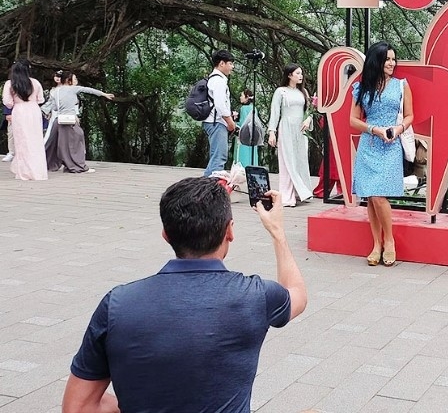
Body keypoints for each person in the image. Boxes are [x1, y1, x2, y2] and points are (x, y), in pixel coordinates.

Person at [61, 177, 307, 413]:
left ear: (166, 235)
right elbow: (297, 294)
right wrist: (277, 231)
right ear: (229, 231)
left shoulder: (116, 304)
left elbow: (79, 407)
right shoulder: (257, 296)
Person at [350, 41, 412, 267]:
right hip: (369, 143)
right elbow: (353, 119)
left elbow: (409, 116)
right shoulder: (362, 87)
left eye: (394, 59)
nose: (392, 63)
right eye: (387, 59)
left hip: (391, 144)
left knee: (378, 196)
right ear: (377, 61)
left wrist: (397, 129)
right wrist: (373, 129)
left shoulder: (401, 85)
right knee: (371, 195)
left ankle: (389, 241)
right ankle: (377, 244)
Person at [43, 72, 114, 173]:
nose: (76, 81)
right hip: (69, 121)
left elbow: (54, 107)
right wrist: (104, 94)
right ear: (68, 80)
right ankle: (78, 166)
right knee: (76, 142)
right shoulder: (73, 89)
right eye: (74, 79)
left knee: (54, 144)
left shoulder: (56, 91)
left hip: (58, 120)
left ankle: (48, 164)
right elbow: (89, 90)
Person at [268, 64, 314, 207]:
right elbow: (275, 112)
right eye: (298, 73)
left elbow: (310, 110)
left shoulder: (303, 92)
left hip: (301, 130)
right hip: (286, 127)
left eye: (301, 73)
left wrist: (308, 119)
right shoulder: (281, 91)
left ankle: (301, 192)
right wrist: (272, 132)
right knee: (287, 160)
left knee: (300, 160)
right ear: (289, 75)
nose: (301, 76)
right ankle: (287, 196)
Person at [2, 60, 46, 180]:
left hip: (19, 110)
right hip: (34, 110)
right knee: (35, 140)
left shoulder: (10, 84)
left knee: (22, 141)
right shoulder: (35, 82)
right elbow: (41, 100)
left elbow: (7, 102)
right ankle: (38, 171)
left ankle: (25, 171)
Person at [203, 50, 236, 177]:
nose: (232, 67)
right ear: (222, 63)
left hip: (214, 121)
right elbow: (220, 105)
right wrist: (230, 122)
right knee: (219, 158)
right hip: (216, 122)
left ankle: (204, 188)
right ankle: (210, 190)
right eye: (230, 64)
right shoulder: (219, 81)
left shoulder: (215, 79)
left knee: (216, 157)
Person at [234, 88, 259, 167]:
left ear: (247, 97)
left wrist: (235, 121)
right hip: (253, 136)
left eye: (242, 96)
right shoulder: (254, 108)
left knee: (242, 154)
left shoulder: (243, 108)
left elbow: (242, 124)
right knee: (252, 154)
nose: (240, 97)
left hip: (243, 137)